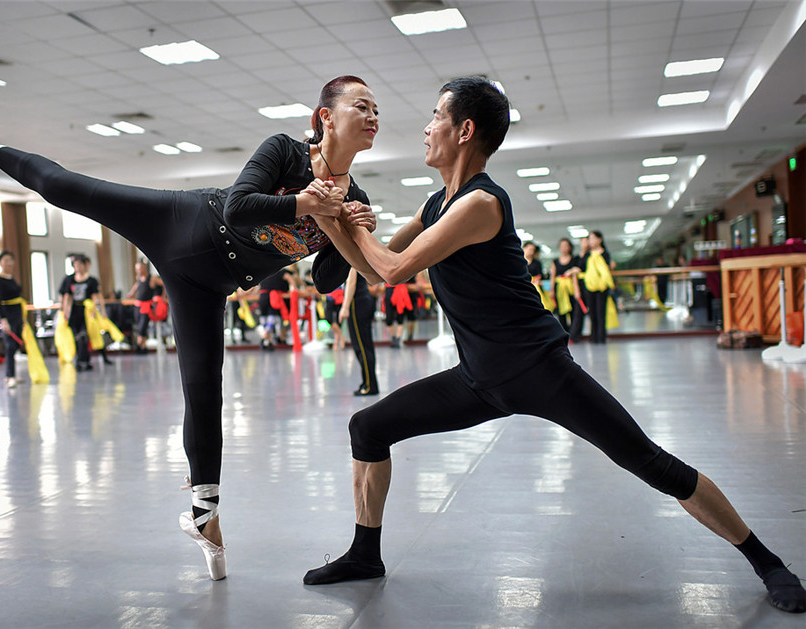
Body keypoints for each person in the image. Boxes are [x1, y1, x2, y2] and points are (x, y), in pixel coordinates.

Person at [301, 77, 805, 615]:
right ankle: (364, 554)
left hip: (540, 370)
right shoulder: (435, 204)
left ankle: (768, 561)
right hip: (478, 379)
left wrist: (343, 214)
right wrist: (329, 214)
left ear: (464, 130)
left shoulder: (480, 203)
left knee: (654, 465)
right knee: (369, 427)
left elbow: (395, 268)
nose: (425, 128)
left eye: (435, 117)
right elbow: (368, 271)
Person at [0, 74, 380, 581]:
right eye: (362, 106)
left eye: (375, 110)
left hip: (208, 286)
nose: (373, 117)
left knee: (205, 394)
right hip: (181, 222)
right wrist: (307, 204)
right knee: (63, 188)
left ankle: (204, 517)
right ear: (326, 117)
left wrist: (351, 229)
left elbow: (323, 281)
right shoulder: (286, 151)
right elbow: (239, 206)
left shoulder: (352, 195)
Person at [59, 254, 106, 370]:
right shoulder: (69, 279)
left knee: (84, 336)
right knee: (76, 336)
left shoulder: (92, 280)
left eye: (80, 264)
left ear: (85, 265)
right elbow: (67, 297)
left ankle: (85, 360)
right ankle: (80, 361)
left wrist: (95, 310)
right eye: (76, 265)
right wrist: (65, 311)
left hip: (86, 310)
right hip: (74, 310)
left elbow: (95, 296)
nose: (78, 267)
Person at [340, 268, 378, 396]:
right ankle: (368, 382)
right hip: (364, 300)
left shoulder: (350, 258)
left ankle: (369, 385)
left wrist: (345, 307)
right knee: (366, 345)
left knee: (361, 347)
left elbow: (351, 282)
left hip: (357, 303)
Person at [0, 251, 25, 388]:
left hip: (18, 315)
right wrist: (3, 320)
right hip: (8, 316)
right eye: (6, 260)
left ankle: (10, 375)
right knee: (10, 346)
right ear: (1, 262)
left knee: (16, 345)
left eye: (11, 260)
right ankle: (10, 375)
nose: (9, 263)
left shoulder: (12, 278)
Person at [582, 230, 616, 344]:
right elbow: (581, 267)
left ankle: (601, 336)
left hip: (602, 286)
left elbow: (607, 268)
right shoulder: (587, 254)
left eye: (593, 238)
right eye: (590, 239)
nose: (591, 241)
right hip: (589, 286)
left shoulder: (605, 253)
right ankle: (593, 336)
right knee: (592, 311)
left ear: (599, 239)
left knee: (601, 311)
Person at [127, 259, 165, 353]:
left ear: (143, 268)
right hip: (138, 305)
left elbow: (164, 284)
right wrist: (131, 294)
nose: (138, 271)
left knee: (142, 326)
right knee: (139, 325)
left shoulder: (152, 279)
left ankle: (140, 345)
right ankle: (142, 346)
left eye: (139, 269)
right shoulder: (139, 279)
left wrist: (163, 297)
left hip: (147, 307)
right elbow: (136, 287)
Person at [549, 238, 584, 340]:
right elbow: (552, 276)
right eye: (562, 246)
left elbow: (578, 270)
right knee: (561, 313)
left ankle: (574, 334)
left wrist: (571, 271)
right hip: (560, 289)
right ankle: (565, 334)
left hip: (571, 288)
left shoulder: (575, 259)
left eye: (566, 245)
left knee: (573, 310)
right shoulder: (555, 261)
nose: (564, 248)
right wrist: (551, 290)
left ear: (570, 247)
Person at [382, 277, 416, 348]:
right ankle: (394, 338)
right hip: (390, 289)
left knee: (400, 314)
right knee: (389, 317)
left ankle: (397, 338)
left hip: (400, 288)